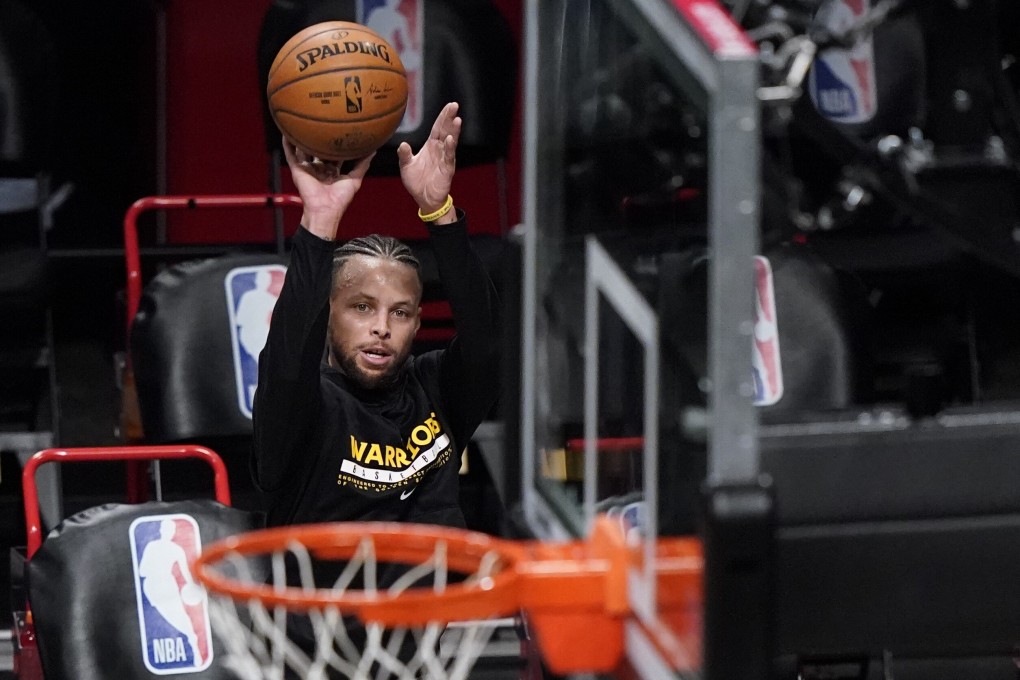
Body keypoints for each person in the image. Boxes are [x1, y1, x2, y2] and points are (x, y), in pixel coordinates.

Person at [250, 101, 501, 536]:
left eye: (399, 312)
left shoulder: (436, 390)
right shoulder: (306, 408)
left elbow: (487, 338)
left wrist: (439, 213)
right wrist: (320, 222)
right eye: (362, 307)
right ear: (327, 315)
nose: (381, 326)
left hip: (439, 598)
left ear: (418, 324)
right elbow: (289, 364)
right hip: (330, 602)